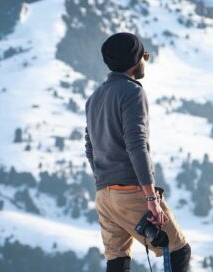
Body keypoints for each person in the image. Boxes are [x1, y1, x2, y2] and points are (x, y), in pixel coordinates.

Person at [84, 32, 191, 272]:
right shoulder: (132, 92)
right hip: (131, 191)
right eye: (144, 55)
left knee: (118, 259)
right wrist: (151, 198)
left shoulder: (93, 98)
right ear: (135, 59)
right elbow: (136, 144)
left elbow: (90, 147)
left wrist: (106, 181)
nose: (146, 60)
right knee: (178, 251)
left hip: (104, 196)